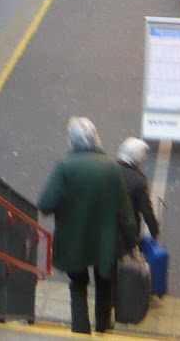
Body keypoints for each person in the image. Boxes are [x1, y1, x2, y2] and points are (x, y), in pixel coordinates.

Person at [38, 117, 138, 335]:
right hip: (105, 241)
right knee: (104, 284)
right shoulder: (111, 166)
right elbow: (125, 211)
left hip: (75, 240)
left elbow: (45, 204)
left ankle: (81, 332)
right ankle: (103, 329)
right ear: (95, 138)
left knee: (78, 285)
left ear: (71, 140)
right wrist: (132, 241)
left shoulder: (65, 166)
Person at [116, 137, 160, 242]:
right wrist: (154, 231)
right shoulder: (138, 180)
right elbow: (147, 212)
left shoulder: (108, 170)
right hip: (127, 232)